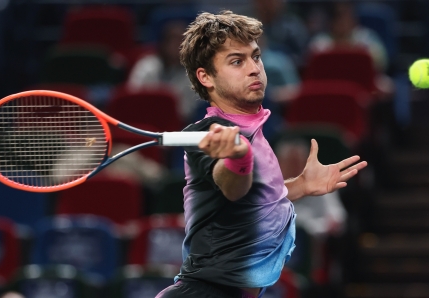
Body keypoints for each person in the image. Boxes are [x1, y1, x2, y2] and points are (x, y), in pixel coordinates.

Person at [156, 11, 367, 298]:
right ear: (206, 77)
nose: (254, 68)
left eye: (255, 56)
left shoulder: (252, 131)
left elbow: (249, 201)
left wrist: (299, 187)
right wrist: (238, 156)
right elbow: (232, 187)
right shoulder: (210, 132)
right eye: (236, 61)